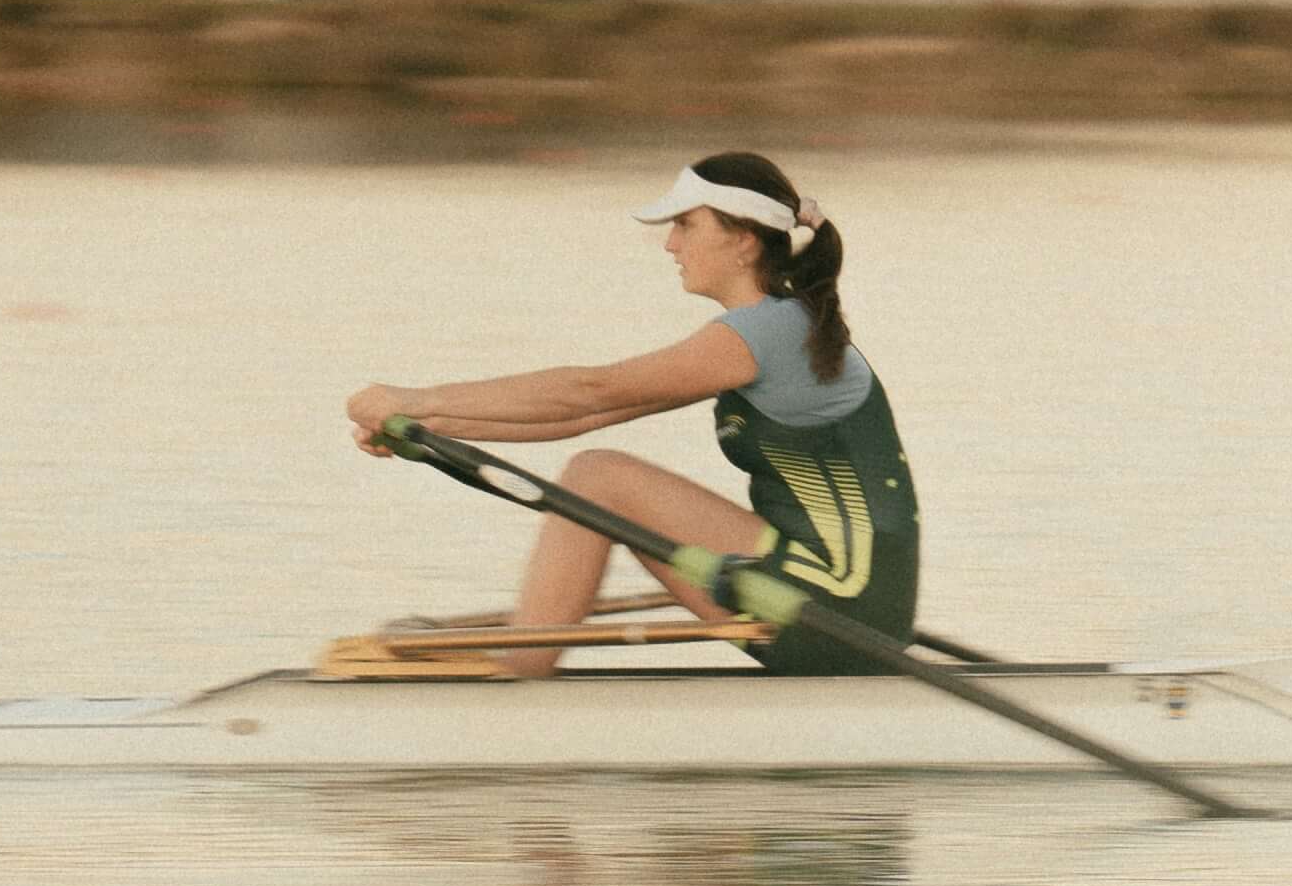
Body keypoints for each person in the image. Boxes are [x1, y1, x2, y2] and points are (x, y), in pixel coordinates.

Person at [345, 152, 920, 677]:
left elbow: (590, 391)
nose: (671, 244)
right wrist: (424, 431)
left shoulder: (765, 333)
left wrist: (416, 399)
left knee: (599, 477)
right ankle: (522, 669)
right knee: (595, 468)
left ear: (743, 241)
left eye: (686, 225)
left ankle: (519, 677)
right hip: (837, 597)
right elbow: (580, 417)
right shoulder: (775, 330)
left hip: (835, 602)